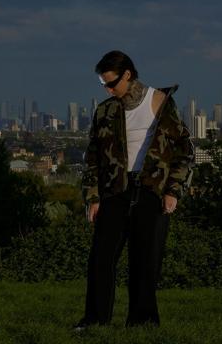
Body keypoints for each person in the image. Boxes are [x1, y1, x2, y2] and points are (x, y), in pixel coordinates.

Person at [76, 50, 194, 329]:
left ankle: (143, 323)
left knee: (144, 260)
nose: (107, 89)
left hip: (151, 189)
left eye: (111, 83)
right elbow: (92, 157)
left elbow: (184, 150)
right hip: (114, 190)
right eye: (103, 84)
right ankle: (94, 321)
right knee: (101, 259)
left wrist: (173, 191)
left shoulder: (160, 101)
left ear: (127, 75)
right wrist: (92, 197)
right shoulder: (104, 111)